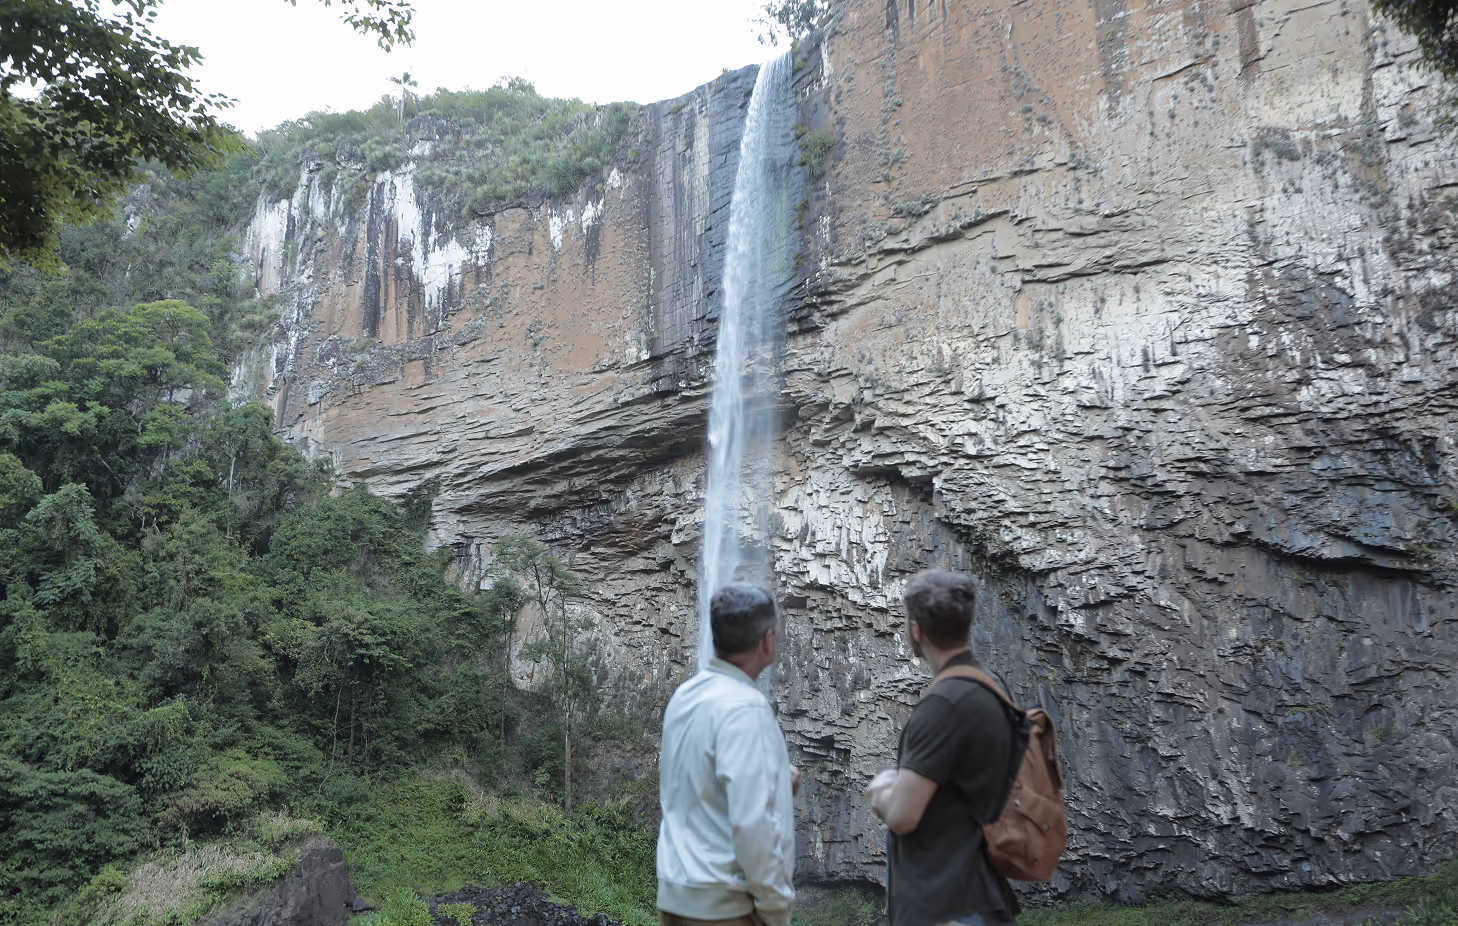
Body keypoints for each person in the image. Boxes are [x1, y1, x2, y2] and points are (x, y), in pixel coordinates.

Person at [866, 570, 1019, 926]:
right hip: (981, 897)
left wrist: (883, 790)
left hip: (947, 906)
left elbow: (904, 816)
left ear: (916, 630)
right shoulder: (994, 689)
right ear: (966, 625)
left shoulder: (944, 704)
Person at [657, 583, 799, 926]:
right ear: (767, 640)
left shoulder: (685, 696)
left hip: (677, 896)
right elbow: (753, 823)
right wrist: (775, 909)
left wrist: (776, 782)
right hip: (725, 906)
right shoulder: (746, 708)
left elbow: (696, 786)